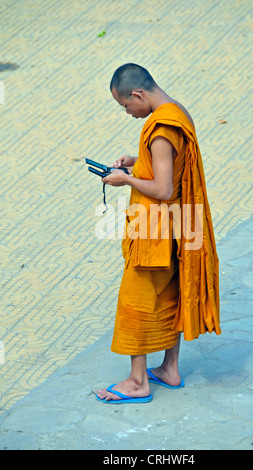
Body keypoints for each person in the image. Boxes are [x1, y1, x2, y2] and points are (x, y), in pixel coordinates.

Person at [96, 64, 220, 404]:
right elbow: (168, 166)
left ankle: (137, 382)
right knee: (168, 297)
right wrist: (137, 162)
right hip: (182, 225)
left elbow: (164, 188)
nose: (128, 113)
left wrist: (125, 180)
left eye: (125, 106)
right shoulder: (176, 111)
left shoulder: (162, 128)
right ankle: (169, 369)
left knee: (134, 303)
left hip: (158, 230)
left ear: (138, 94)